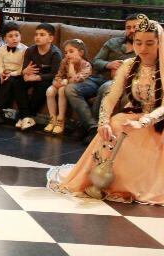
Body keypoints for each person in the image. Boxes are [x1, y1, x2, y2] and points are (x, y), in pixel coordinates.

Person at [48, 15, 164, 206]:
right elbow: (111, 97)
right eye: (138, 43)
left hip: (158, 119)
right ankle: (102, 181)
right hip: (134, 113)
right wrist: (103, 122)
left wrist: (144, 121)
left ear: (160, 43)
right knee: (115, 124)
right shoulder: (129, 65)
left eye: (149, 43)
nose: (143, 48)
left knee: (140, 131)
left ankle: (135, 185)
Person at [65, 14, 141, 141]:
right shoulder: (112, 42)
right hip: (98, 78)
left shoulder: (143, 48)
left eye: (135, 27)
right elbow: (96, 61)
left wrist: (123, 72)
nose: (131, 30)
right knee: (70, 89)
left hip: (118, 82)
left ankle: (87, 128)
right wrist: (108, 64)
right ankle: (91, 126)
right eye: (128, 27)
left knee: (105, 88)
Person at [14, 23, 63, 131]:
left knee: (42, 86)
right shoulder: (30, 50)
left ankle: (28, 116)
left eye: (42, 35)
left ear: (50, 38)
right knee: (18, 83)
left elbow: (55, 74)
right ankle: (26, 117)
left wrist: (37, 77)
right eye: (36, 34)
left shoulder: (55, 54)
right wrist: (25, 73)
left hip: (46, 78)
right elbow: (25, 68)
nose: (37, 37)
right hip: (32, 76)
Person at [45, 39, 93, 135]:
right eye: (66, 52)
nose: (67, 55)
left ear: (81, 53)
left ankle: (60, 119)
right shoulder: (64, 61)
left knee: (62, 90)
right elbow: (59, 74)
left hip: (76, 86)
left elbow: (76, 80)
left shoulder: (86, 65)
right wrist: (57, 82)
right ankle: (52, 119)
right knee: (49, 91)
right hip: (63, 83)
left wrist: (71, 66)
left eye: (71, 51)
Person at [0, 22, 26, 125]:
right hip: (4, 73)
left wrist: (10, 74)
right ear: (5, 39)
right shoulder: (1, 49)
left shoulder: (25, 50)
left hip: (17, 75)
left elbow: (22, 68)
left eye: (16, 35)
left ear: (20, 36)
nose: (14, 38)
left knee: (9, 82)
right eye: (10, 36)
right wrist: (1, 74)